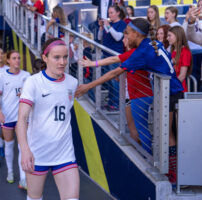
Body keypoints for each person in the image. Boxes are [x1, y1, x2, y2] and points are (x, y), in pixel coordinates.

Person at [75, 18, 184, 185]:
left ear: (136, 34)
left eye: (127, 33)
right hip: (171, 91)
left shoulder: (142, 52)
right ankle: (170, 171)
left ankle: (172, 174)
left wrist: (88, 86)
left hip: (171, 93)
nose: (125, 36)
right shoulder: (148, 45)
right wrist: (94, 63)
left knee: (168, 135)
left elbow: (114, 73)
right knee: (168, 134)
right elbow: (116, 60)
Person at [16, 38, 79, 200]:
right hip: (38, 153)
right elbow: (22, 119)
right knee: (35, 198)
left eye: (65, 57)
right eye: (56, 57)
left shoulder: (72, 83)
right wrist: (24, 150)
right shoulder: (33, 82)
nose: (62, 62)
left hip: (65, 154)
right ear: (45, 58)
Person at [79, 36, 153, 153]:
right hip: (130, 95)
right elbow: (119, 73)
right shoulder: (128, 53)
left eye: (126, 38)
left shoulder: (135, 53)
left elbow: (113, 64)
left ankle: (146, 156)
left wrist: (92, 64)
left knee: (141, 130)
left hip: (140, 96)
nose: (123, 40)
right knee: (132, 128)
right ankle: (139, 154)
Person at [0, 50, 30, 188]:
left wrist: (26, 93)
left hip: (22, 117)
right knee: (9, 145)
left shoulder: (26, 75)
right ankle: (10, 172)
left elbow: (31, 93)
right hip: (7, 116)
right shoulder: (2, 76)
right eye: (14, 58)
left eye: (19, 58)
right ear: (8, 60)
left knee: (23, 147)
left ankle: (23, 178)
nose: (17, 60)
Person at [98, 5, 126, 109]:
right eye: (109, 13)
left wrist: (108, 26)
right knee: (109, 81)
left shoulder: (121, 23)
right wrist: (101, 27)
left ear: (118, 13)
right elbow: (99, 37)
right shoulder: (109, 24)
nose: (110, 15)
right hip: (106, 56)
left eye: (112, 13)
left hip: (115, 56)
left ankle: (117, 103)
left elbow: (118, 37)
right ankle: (111, 101)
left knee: (115, 81)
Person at [167, 26, 193, 92]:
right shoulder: (172, 51)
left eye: (169, 36)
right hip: (171, 89)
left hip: (178, 90)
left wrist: (171, 87)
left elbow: (182, 75)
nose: (167, 38)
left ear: (177, 36)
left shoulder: (185, 52)